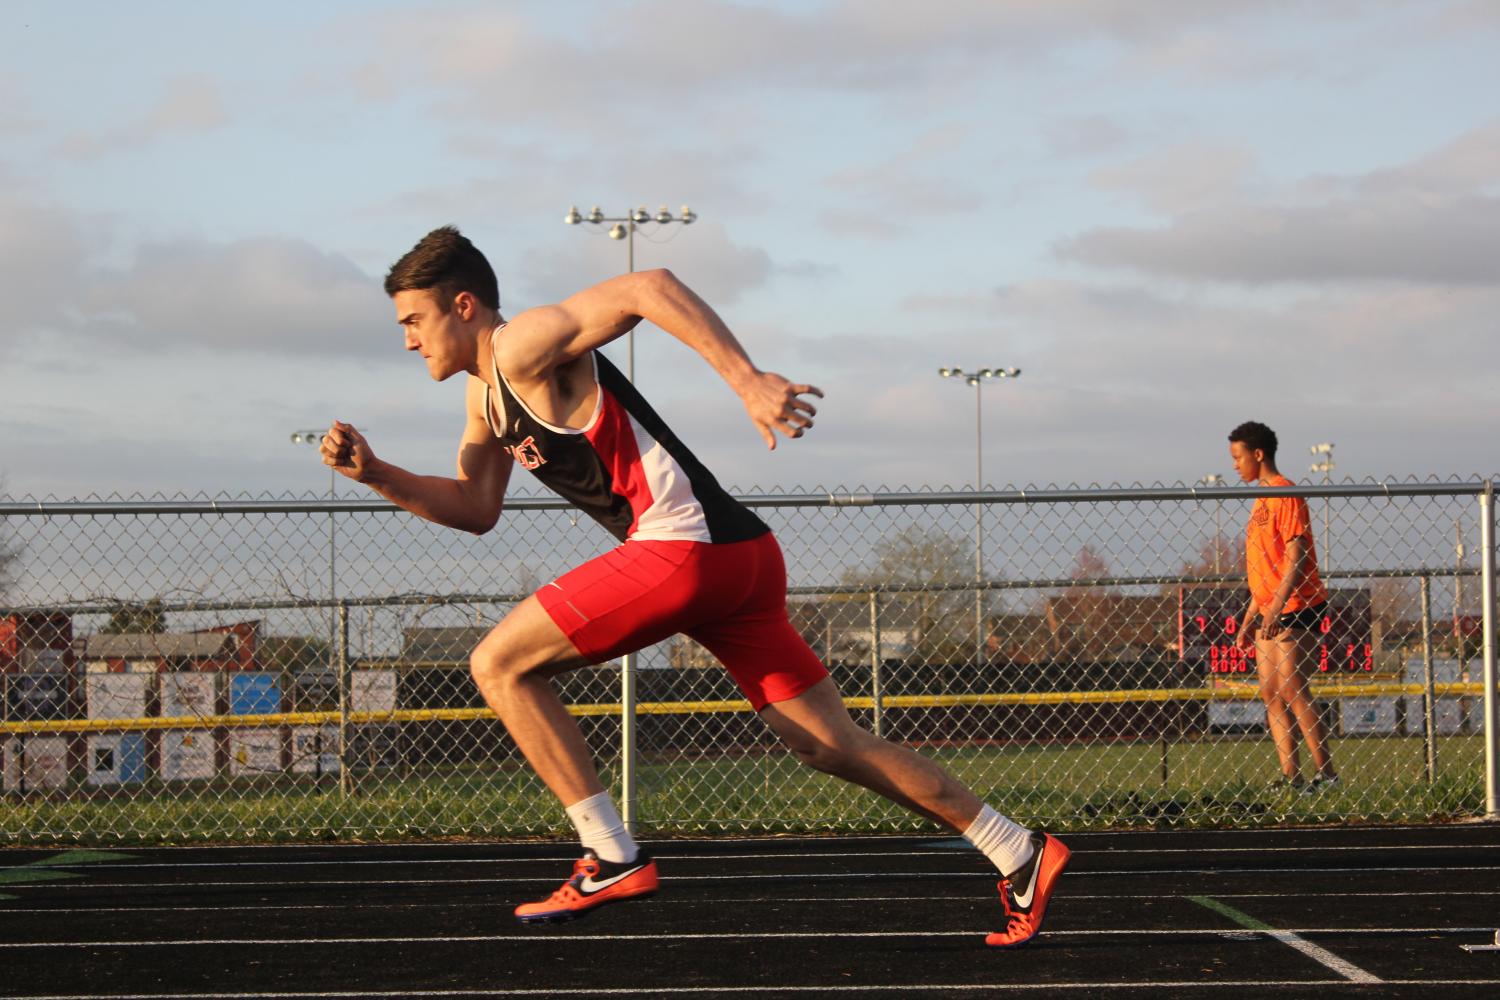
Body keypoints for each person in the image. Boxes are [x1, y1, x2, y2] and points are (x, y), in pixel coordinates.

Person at [320, 225, 1067, 947]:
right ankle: (1018, 850)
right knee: (829, 744)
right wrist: (377, 473)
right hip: (740, 557)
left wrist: (748, 381)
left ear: (463, 306)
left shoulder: (519, 346)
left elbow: (649, 285)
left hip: (684, 548)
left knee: (499, 665)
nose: (409, 339)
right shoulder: (486, 398)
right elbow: (475, 507)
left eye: (413, 320)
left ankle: (611, 855)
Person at [1229, 421, 1339, 792]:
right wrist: (1250, 617)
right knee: (1271, 692)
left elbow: (1297, 554)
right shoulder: (1260, 500)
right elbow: (1263, 568)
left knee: (1293, 687)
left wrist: (1276, 607)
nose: (1235, 465)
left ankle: (1328, 775)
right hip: (1269, 607)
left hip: (1298, 602)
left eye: (1238, 457)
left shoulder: (1285, 492)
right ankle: (1292, 777)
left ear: (1257, 455)